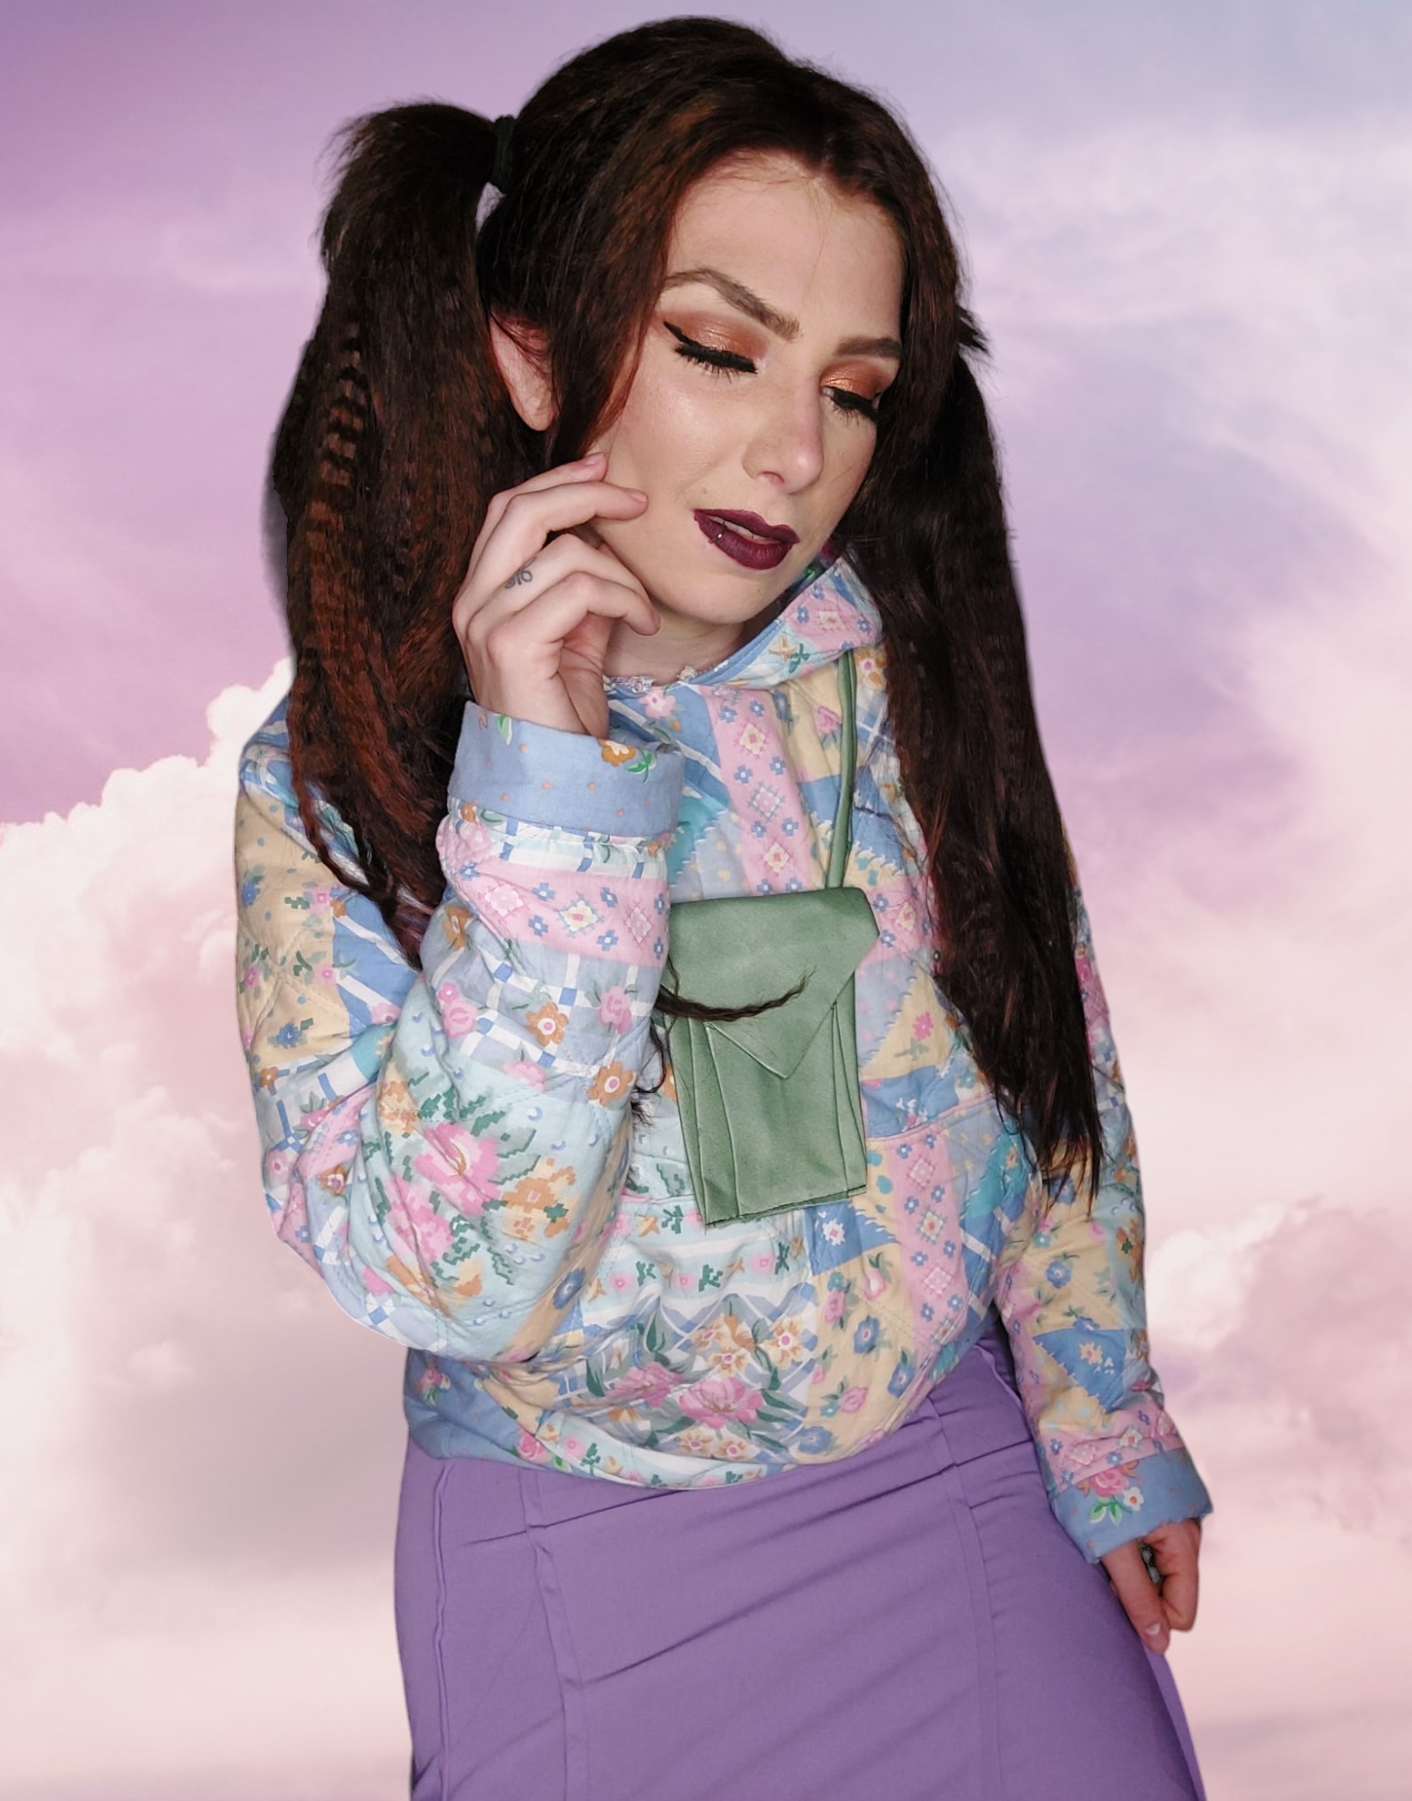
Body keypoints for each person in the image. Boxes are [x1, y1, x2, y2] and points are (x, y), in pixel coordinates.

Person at [235, 17, 1214, 1799]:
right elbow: (443, 1277)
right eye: (719, 349)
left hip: (958, 1488)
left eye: (852, 388)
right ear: (532, 353)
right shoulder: (341, 770)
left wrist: (1101, 1413)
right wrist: (547, 789)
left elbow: (1050, 1050)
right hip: (585, 1571)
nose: (792, 451)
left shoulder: (905, 690)